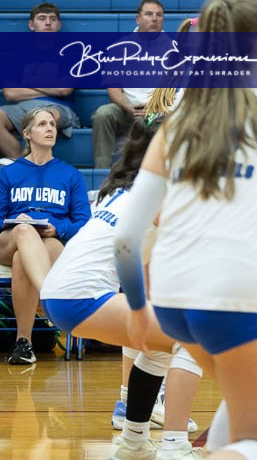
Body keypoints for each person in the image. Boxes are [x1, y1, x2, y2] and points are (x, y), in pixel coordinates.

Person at [114, 0, 257, 460]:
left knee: (240, 404)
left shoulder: (176, 119)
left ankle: (170, 445)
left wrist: (138, 309)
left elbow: (127, 236)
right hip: (237, 292)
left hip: (170, 297)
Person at [39, 117, 204, 459]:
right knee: (191, 341)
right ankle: (175, 447)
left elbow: (146, 268)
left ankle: (133, 443)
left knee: (160, 346)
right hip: (81, 296)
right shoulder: (156, 194)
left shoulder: (124, 190)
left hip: (60, 294)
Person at [0, 107, 89, 365]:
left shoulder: (70, 175)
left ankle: (24, 344)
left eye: (52, 124)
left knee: (22, 259)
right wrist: (16, 222)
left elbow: (84, 222)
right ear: (27, 134)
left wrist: (58, 228)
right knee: (24, 230)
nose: (50, 128)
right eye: (42, 124)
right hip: (9, 239)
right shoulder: (8, 173)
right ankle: (51, 297)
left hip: (50, 240)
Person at [92, 0, 167, 170]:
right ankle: (101, 172)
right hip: (128, 111)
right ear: (138, 19)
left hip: (159, 113)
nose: (154, 19)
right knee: (103, 114)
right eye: (149, 14)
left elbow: (177, 91)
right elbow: (113, 88)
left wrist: (156, 109)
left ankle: (161, 174)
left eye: (159, 15)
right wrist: (129, 108)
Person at [0, 3, 81, 160]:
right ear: (31, 25)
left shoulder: (70, 54)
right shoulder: (16, 57)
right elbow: (11, 93)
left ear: (59, 25)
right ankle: (21, 164)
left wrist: (28, 81)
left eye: (52, 19)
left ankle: (29, 163)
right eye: (42, 18)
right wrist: (50, 86)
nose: (48, 23)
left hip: (58, 107)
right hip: (22, 108)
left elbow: (64, 89)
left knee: (43, 117)